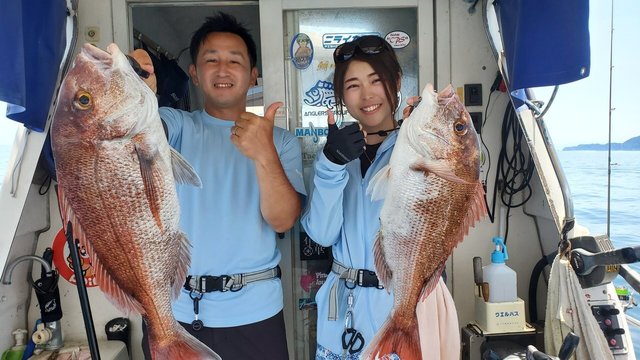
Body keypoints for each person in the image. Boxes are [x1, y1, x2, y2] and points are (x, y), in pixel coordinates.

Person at [130, 12, 305, 360]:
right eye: (211, 60)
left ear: (253, 75)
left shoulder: (281, 142)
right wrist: (139, 94)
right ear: (194, 73)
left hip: (255, 313)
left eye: (235, 60)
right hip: (174, 311)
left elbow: (283, 220)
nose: (223, 69)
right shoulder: (176, 125)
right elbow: (139, 137)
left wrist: (264, 154)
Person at [300, 35, 460, 359]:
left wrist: (429, 133)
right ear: (342, 96)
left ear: (396, 82)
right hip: (342, 316)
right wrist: (331, 163)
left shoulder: (423, 149)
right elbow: (321, 233)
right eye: (353, 85)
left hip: (406, 307)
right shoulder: (330, 156)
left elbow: (456, 187)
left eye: (377, 80)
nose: (368, 94)